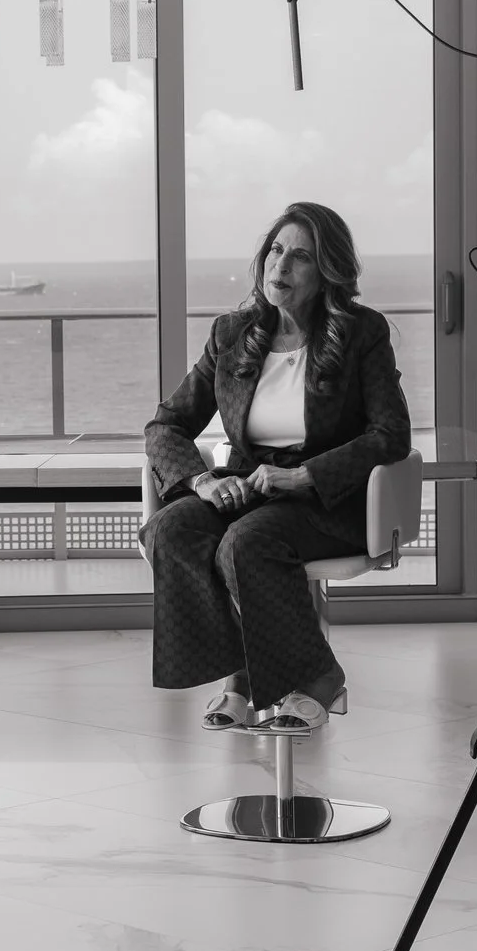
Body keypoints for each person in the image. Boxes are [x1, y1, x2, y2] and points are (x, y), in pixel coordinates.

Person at [143, 202, 412, 731]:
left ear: (327, 271)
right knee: (169, 530)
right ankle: (244, 670)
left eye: (300, 257)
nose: (280, 266)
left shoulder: (361, 332)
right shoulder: (232, 334)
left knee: (245, 542)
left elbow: (391, 434)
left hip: (327, 497)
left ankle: (317, 677)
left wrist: (305, 475)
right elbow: (165, 425)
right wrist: (202, 481)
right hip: (250, 487)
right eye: (275, 250)